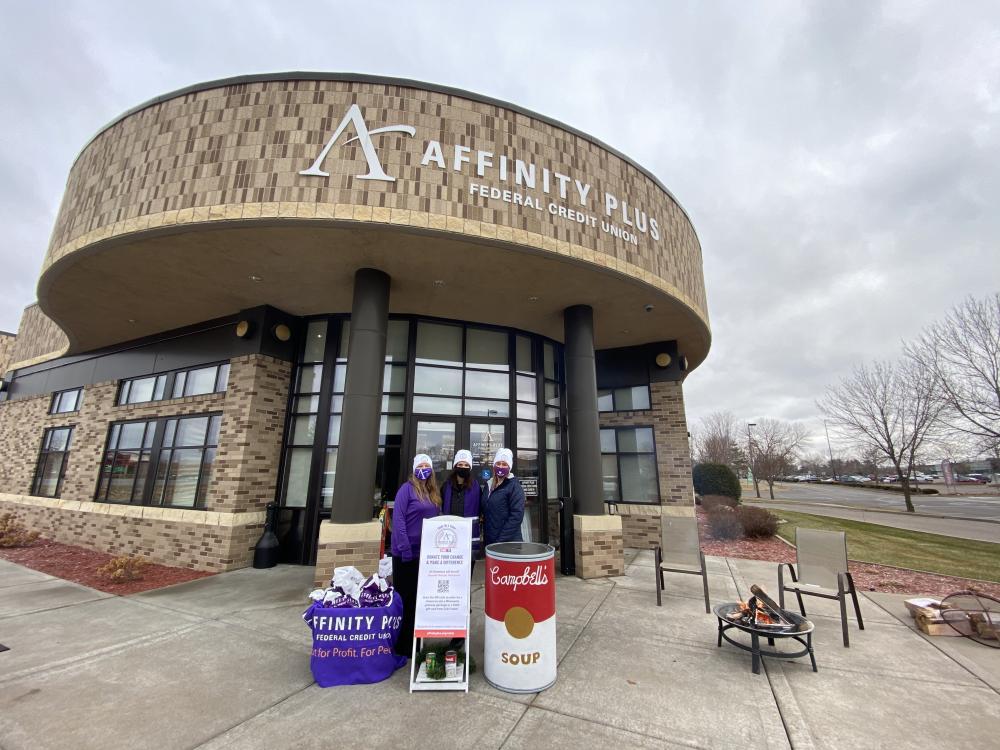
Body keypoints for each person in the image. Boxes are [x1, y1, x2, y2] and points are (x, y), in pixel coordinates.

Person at [391, 453, 441, 657]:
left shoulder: (432, 492)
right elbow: (399, 520)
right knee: (406, 599)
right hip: (406, 554)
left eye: (426, 466)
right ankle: (403, 646)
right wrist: (405, 549)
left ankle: (416, 641)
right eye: (420, 466)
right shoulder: (406, 490)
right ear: (414, 469)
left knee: (420, 600)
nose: (423, 469)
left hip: (425, 554)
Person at [442, 449, 483, 568]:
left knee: (466, 573)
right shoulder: (446, 486)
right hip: (449, 537)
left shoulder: (476, 487)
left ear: (470, 467)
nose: (463, 467)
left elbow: (481, 509)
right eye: (460, 464)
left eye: (466, 465)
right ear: (455, 466)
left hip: (469, 538)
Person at [483, 447, 526, 546]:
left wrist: (500, 540)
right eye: (498, 463)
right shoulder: (489, 485)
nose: (501, 466)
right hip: (491, 541)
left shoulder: (514, 486)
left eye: (504, 464)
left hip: (508, 543)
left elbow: (516, 516)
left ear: (509, 467)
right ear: (494, 465)